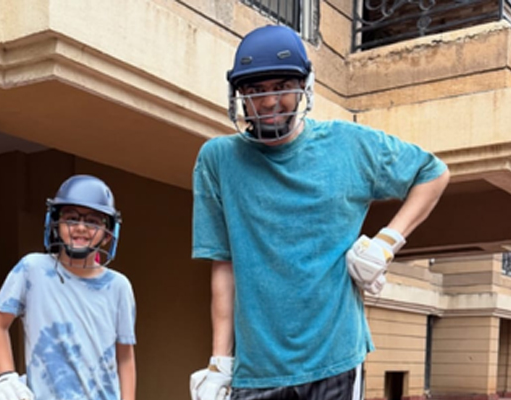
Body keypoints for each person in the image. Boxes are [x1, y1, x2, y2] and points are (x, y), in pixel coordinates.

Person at [189, 25, 449, 400]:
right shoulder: (218, 160)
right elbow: (223, 264)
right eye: (256, 90)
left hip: (335, 360)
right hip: (257, 369)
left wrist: (386, 244)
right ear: (240, 95)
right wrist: (219, 361)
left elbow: (433, 173)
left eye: (282, 86)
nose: (268, 101)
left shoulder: (349, 145)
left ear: (304, 86)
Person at [0, 175, 136, 400]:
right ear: (55, 224)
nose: (81, 227)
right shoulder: (32, 269)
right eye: (71, 218)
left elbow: (125, 357)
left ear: (108, 234)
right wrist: (7, 375)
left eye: (93, 221)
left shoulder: (118, 286)